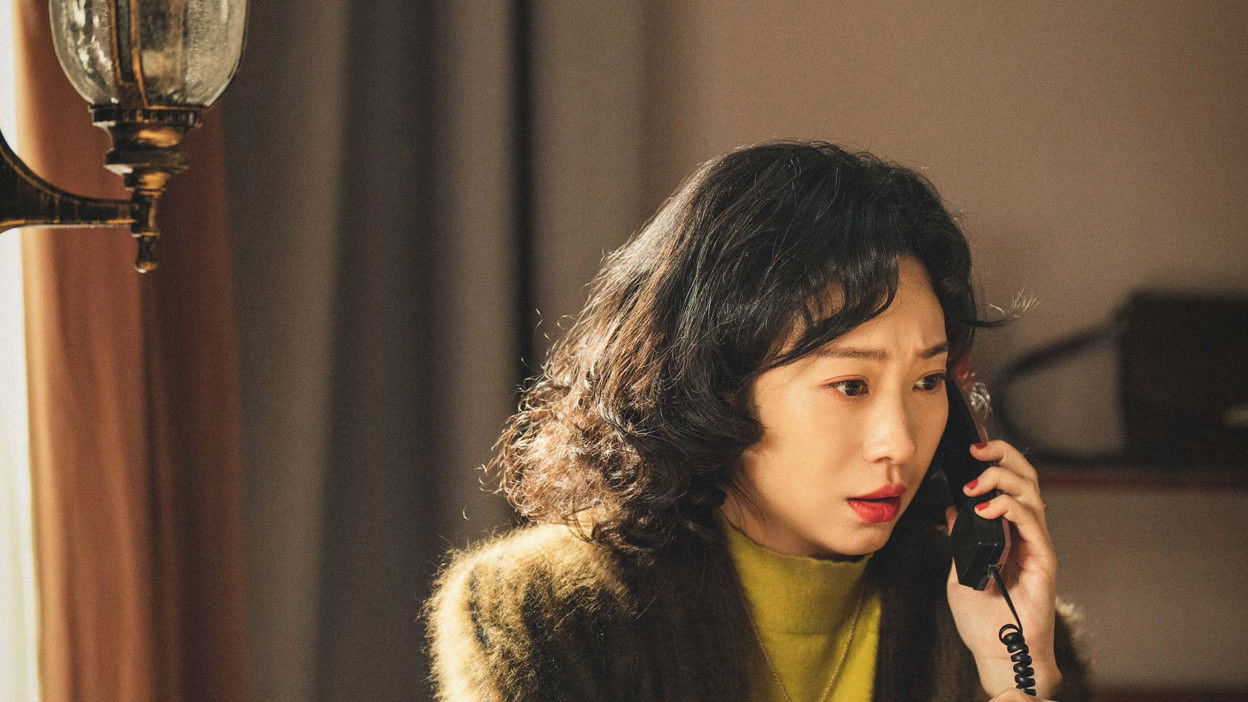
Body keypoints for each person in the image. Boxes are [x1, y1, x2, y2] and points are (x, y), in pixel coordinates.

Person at [424, 141, 1092, 701]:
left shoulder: (995, 620)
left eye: (927, 381)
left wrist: (1018, 678)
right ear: (717, 384)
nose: (900, 443)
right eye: (850, 385)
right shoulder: (544, 617)